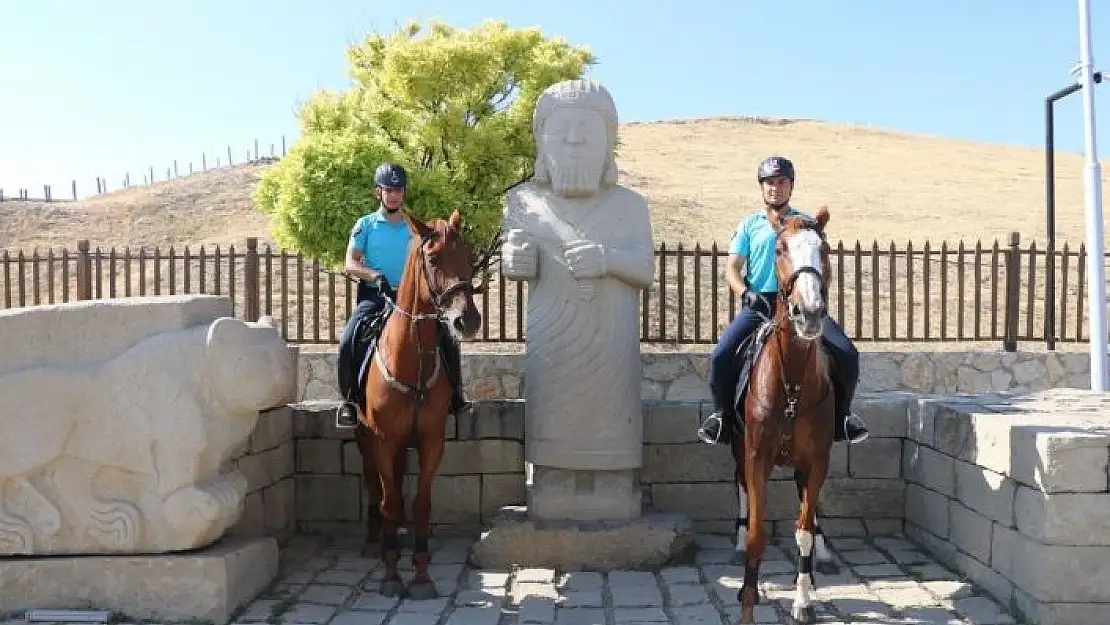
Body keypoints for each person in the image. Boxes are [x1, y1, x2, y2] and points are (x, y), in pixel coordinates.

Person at [697, 156, 869, 446]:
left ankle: (843, 417)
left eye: (781, 182)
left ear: (791, 186)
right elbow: (732, 269)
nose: (775, 188)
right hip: (760, 304)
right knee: (721, 355)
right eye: (769, 183)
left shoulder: (804, 223)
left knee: (847, 353)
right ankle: (722, 417)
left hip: (800, 304)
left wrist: (814, 293)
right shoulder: (749, 224)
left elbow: (821, 263)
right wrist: (745, 293)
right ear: (762, 188)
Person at [335, 162, 472, 428]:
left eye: (398, 190)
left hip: (413, 301)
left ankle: (456, 396)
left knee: (447, 340)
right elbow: (350, 263)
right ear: (379, 193)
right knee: (348, 340)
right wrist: (374, 276)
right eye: (389, 190)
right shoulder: (366, 225)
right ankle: (350, 402)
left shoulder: (415, 229)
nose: (394, 195)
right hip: (376, 296)